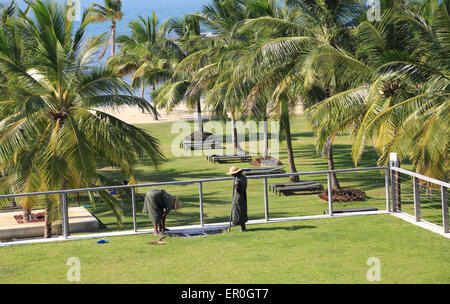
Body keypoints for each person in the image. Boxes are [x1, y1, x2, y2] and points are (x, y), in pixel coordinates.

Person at [226, 166, 248, 231]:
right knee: (242, 210)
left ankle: (242, 227)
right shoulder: (243, 176)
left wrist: (235, 183)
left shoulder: (237, 179)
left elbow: (237, 189)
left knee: (238, 210)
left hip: (238, 196)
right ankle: (243, 228)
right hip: (243, 194)